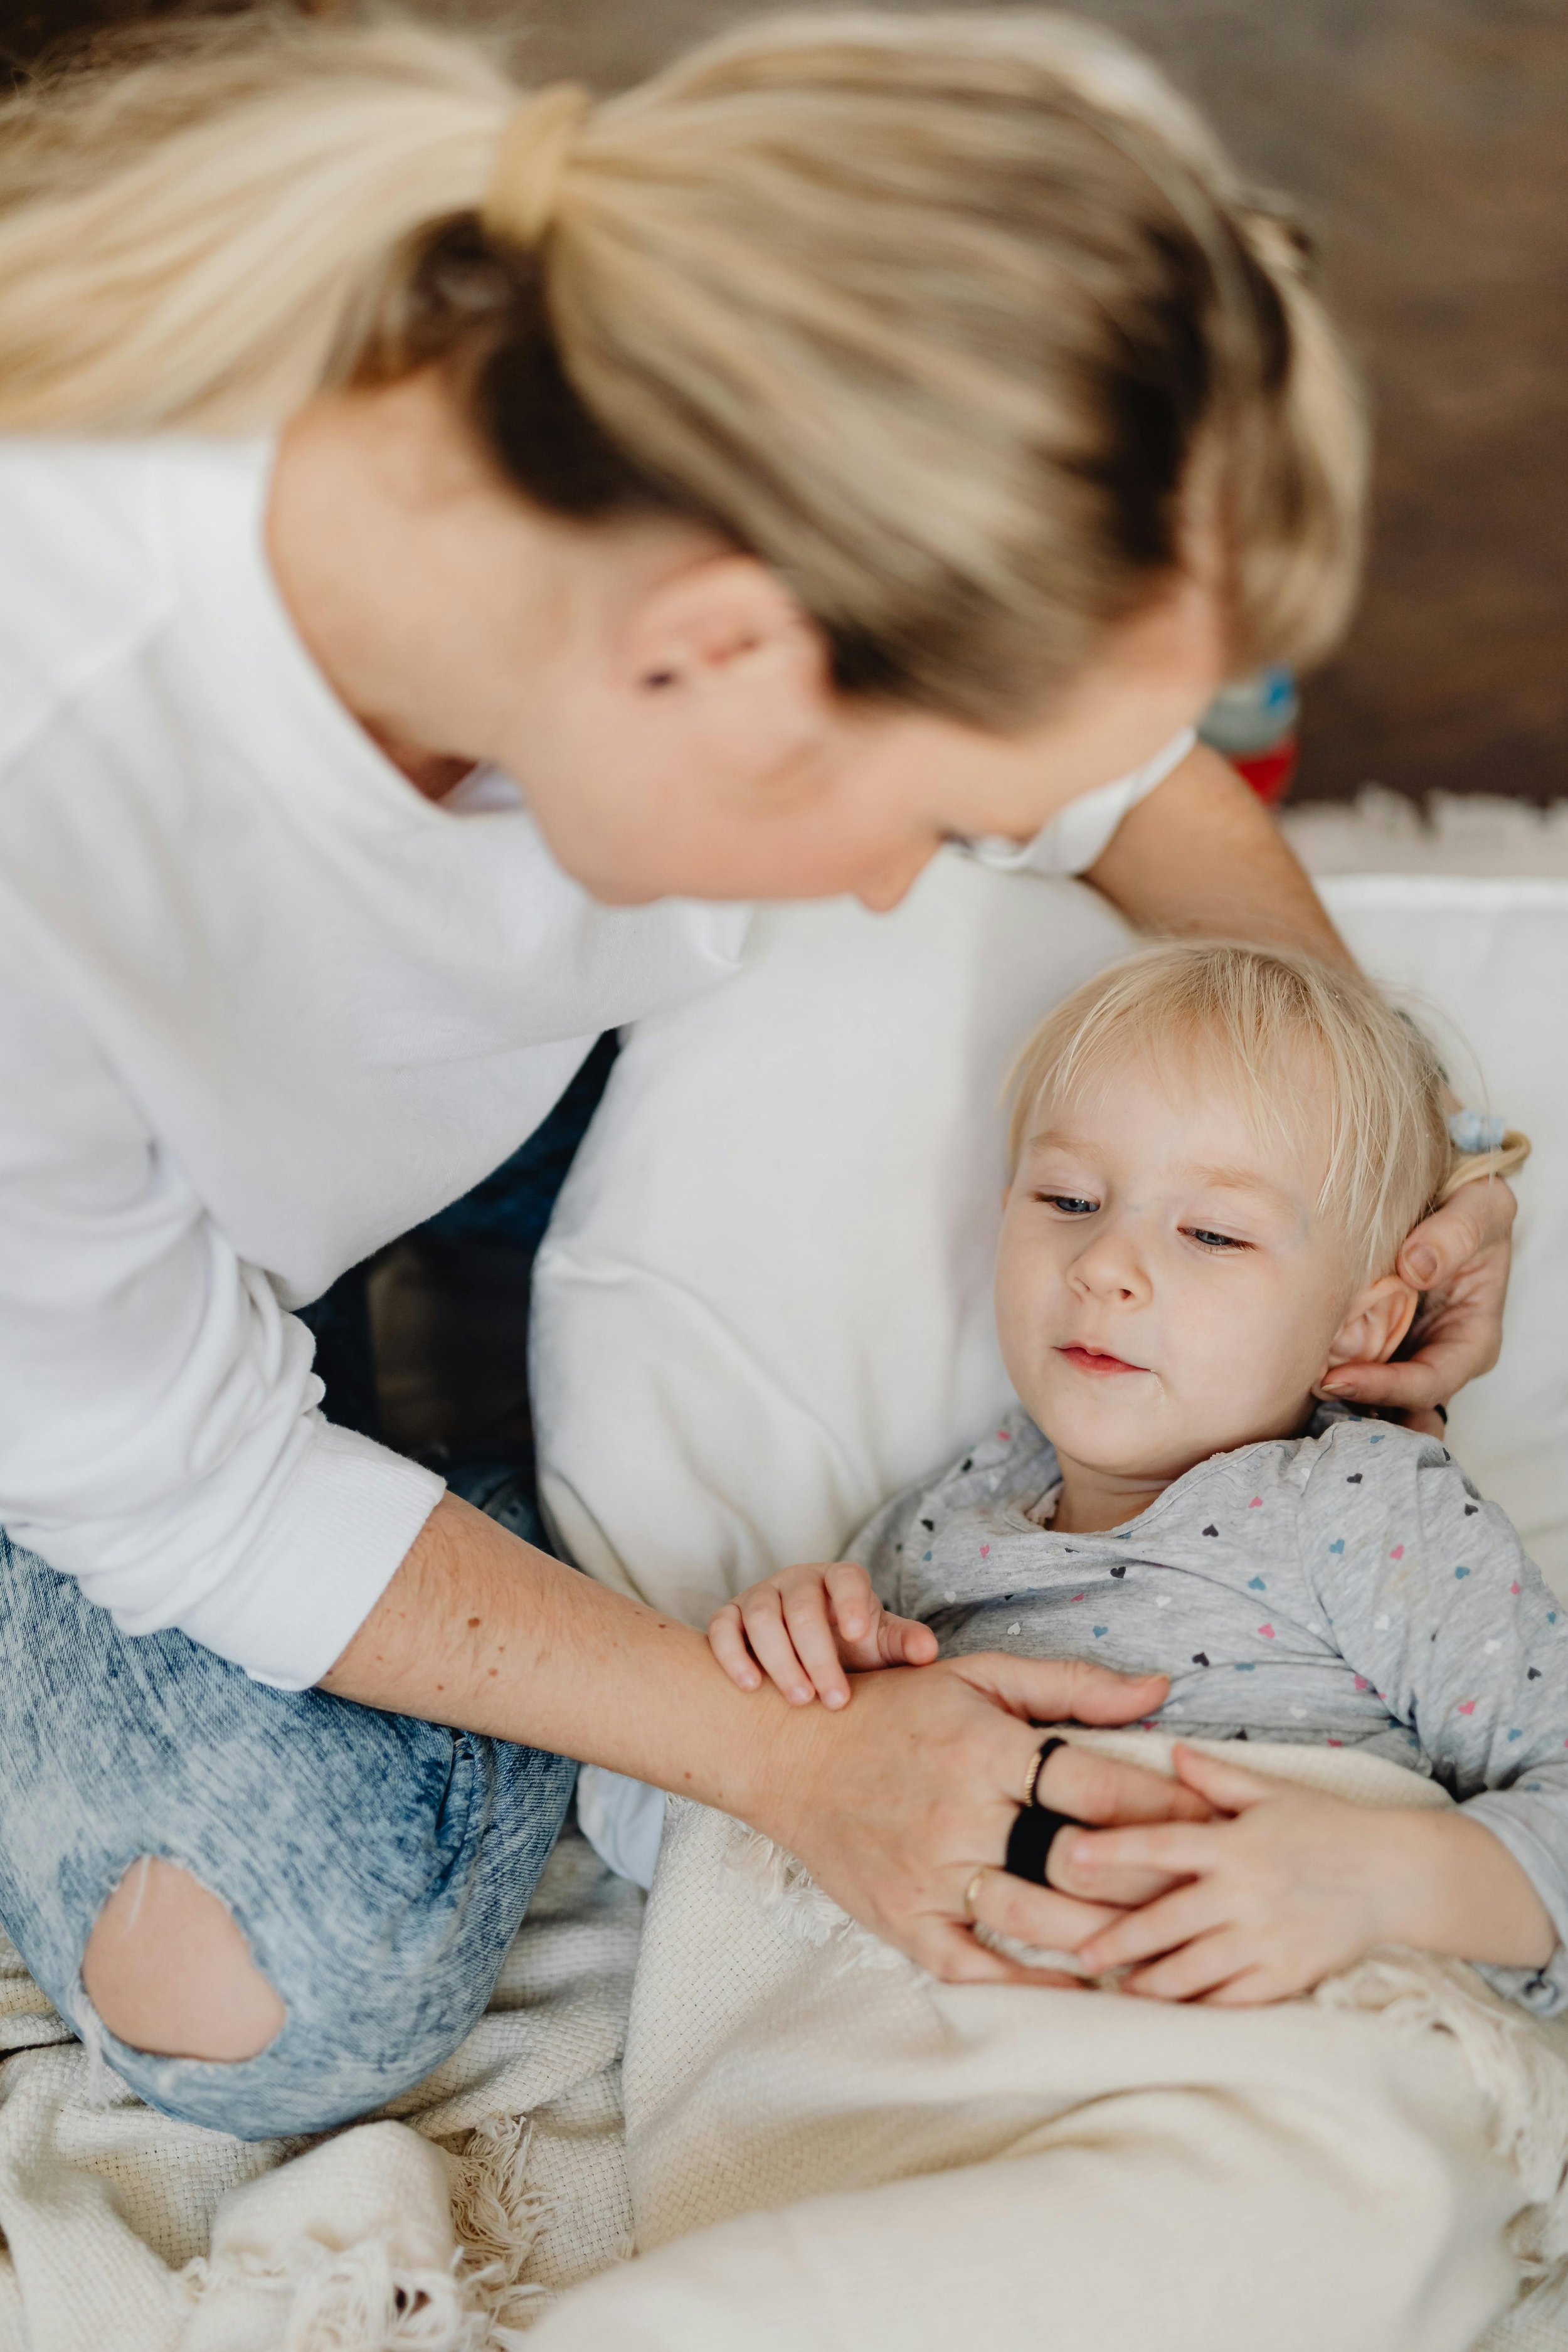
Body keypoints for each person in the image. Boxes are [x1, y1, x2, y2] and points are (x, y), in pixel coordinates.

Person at [0, 8, 1515, 2136]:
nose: (906, 883)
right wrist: (781, 1748)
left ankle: (465, 1509)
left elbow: (1108, 777)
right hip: (87, 1313)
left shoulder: (703, 430)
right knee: (265, 1987)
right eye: (927, 814)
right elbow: (187, 1487)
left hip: (426, 1106)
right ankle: (445, 1529)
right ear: (718, 653)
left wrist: (1395, 1149)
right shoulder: (52, 778)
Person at [709, 941, 1558, 2003]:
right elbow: (792, 1798)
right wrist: (790, 1654)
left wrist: (1376, 1880)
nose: (1104, 1264)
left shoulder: (1368, 1503)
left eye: (1212, 1232)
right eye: (1069, 1200)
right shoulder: (940, 1518)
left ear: (1361, 1322)